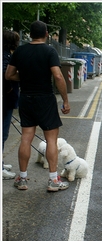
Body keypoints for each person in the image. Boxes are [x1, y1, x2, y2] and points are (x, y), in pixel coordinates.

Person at [5, 20, 71, 191]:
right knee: (51, 139)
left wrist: (26, 78)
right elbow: (57, 76)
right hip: (45, 99)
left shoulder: (20, 51)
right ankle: (53, 180)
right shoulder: (50, 51)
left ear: (31, 34)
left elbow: (9, 75)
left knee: (26, 137)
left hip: (26, 98)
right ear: (46, 34)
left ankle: (22, 178)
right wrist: (65, 100)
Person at [2, 30, 20, 179]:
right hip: (5, 100)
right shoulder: (6, 56)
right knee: (2, 134)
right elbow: (6, 75)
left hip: (6, 100)